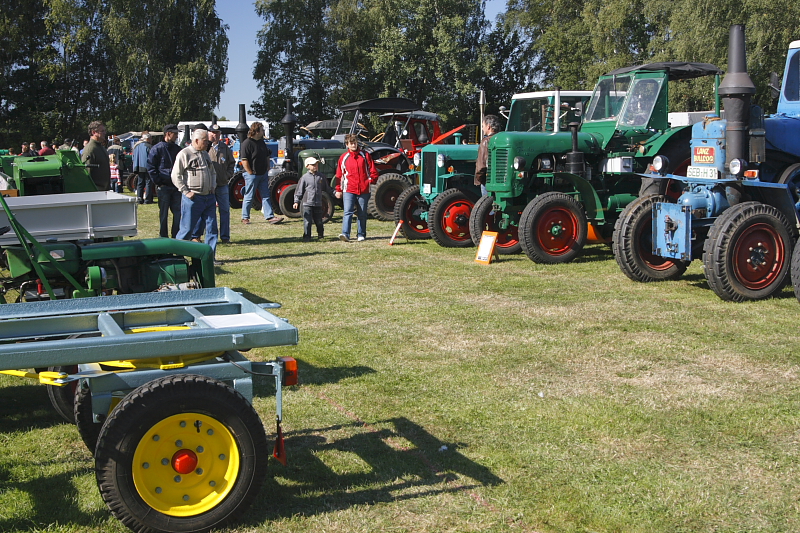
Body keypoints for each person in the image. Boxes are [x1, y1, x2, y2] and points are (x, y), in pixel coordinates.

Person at [172, 128, 219, 264]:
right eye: (205, 141)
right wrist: (186, 191)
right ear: (196, 140)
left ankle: (210, 258)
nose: (207, 143)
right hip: (193, 198)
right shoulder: (184, 154)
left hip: (208, 197)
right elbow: (176, 175)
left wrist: (212, 186)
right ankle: (178, 258)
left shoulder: (205, 154)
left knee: (212, 229)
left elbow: (213, 172)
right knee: (186, 229)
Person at [334, 134, 378, 242]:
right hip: (349, 189)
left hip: (364, 189)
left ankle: (361, 234)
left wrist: (370, 180)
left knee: (362, 213)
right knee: (347, 212)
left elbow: (373, 171)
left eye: (355, 142)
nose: (354, 145)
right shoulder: (344, 157)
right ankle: (345, 234)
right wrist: (338, 189)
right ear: (347, 145)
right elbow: (339, 175)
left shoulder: (365, 155)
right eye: (351, 143)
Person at [240, 121, 282, 225]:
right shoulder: (247, 143)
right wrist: (250, 172)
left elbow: (267, 155)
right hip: (252, 175)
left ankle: (270, 217)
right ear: (257, 131)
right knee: (249, 196)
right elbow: (244, 160)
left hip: (263, 174)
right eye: (262, 130)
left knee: (266, 195)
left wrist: (267, 167)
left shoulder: (262, 142)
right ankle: (245, 217)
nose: (263, 132)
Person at [147, 124, 182, 238]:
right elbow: (151, 167)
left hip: (176, 187)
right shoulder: (157, 149)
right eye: (175, 134)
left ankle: (176, 236)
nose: (176, 136)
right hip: (164, 187)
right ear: (168, 134)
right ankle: (163, 237)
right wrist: (159, 182)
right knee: (163, 214)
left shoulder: (178, 149)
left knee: (178, 213)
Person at [294, 156, 333, 241]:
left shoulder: (321, 176)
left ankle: (320, 235)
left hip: (318, 203)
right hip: (307, 203)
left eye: (316, 164)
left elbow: (327, 188)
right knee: (307, 221)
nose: (315, 166)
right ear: (307, 166)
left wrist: (334, 192)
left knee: (319, 221)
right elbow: (299, 190)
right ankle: (307, 236)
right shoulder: (304, 178)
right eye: (313, 165)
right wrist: (296, 201)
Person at [206, 124, 234, 243]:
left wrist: (227, 175)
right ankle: (211, 237)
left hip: (222, 184)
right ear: (209, 133)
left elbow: (231, 163)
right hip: (209, 186)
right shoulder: (205, 147)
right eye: (212, 132)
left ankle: (225, 237)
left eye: (217, 132)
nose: (215, 135)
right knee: (210, 213)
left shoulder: (225, 147)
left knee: (225, 211)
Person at [474, 115, 501, 197]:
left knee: (488, 206)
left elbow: (482, 165)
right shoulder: (502, 139)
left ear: (488, 127)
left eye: (483, 126)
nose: (482, 129)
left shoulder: (486, 141)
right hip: (500, 180)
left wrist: (479, 178)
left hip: (487, 180)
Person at [81, 121, 110, 191]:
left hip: (104, 190)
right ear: (94, 132)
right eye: (102, 131)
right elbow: (86, 174)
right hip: (96, 191)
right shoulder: (90, 149)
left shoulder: (100, 147)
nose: (105, 133)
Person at [132, 132, 153, 204]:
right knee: (148, 183)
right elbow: (152, 158)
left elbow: (133, 157)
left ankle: (139, 199)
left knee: (140, 183)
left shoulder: (136, 146)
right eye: (150, 138)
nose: (151, 140)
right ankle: (147, 199)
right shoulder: (148, 146)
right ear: (147, 138)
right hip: (147, 166)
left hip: (138, 166)